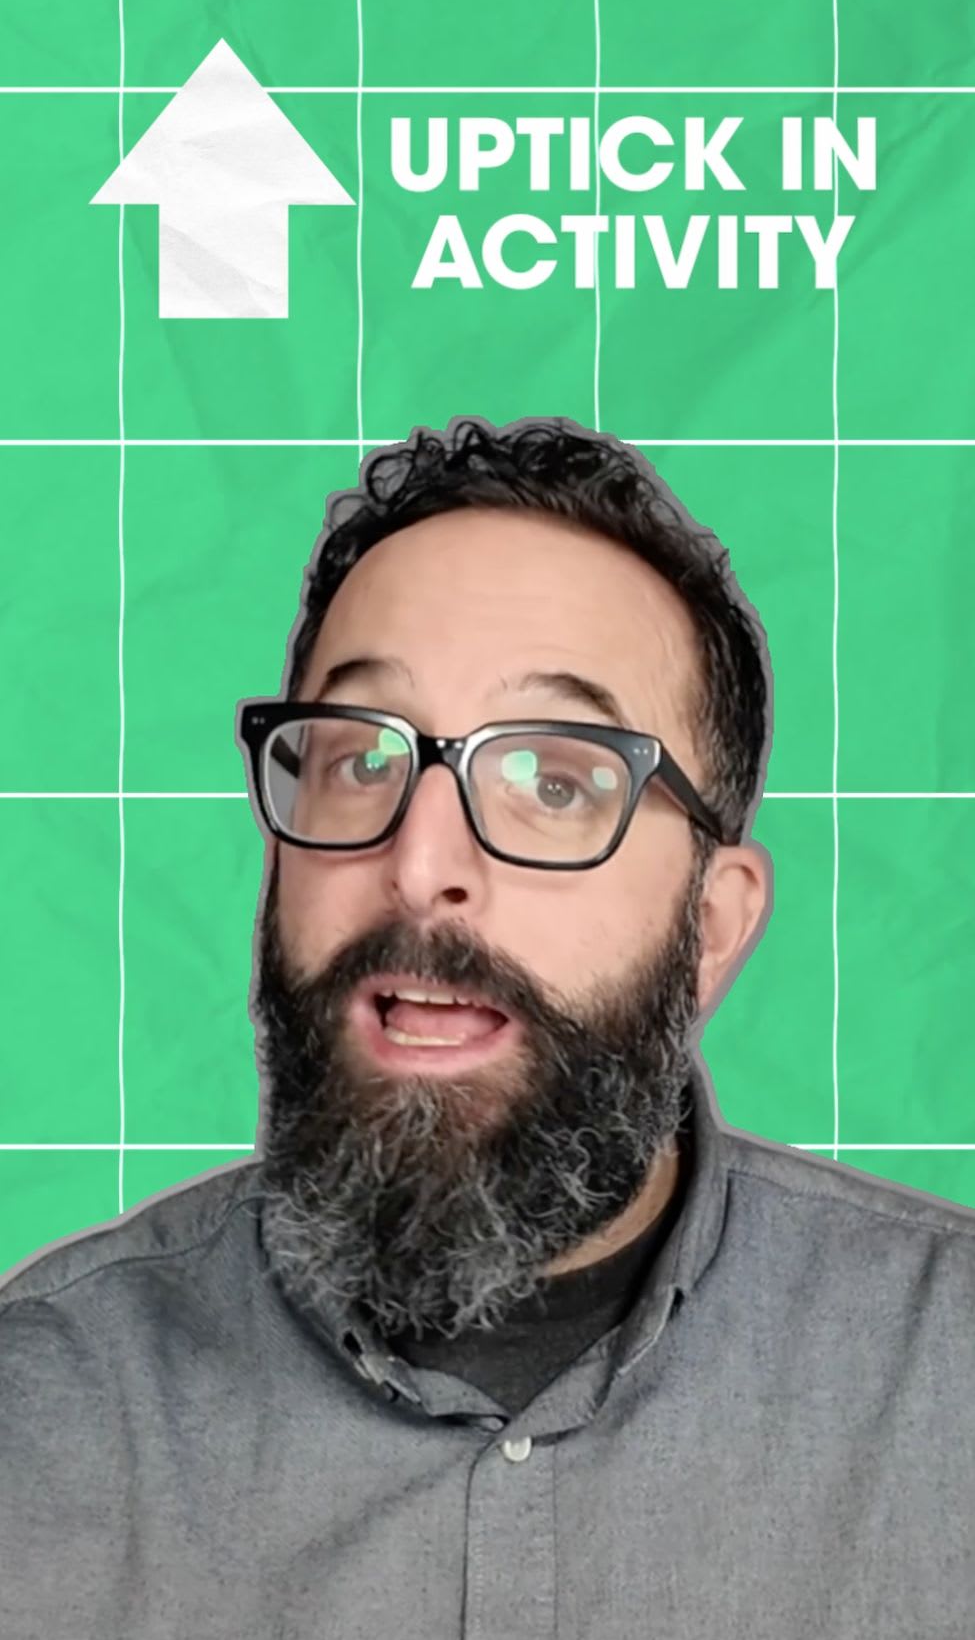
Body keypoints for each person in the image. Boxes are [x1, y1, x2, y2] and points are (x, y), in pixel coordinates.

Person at [0, 416, 972, 1639]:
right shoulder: (41, 1415)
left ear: (713, 926)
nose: (420, 868)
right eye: (360, 761)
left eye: (555, 782)